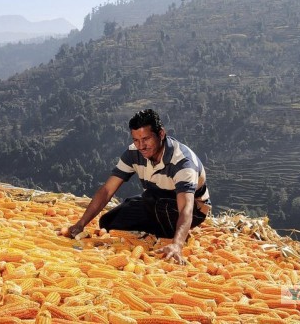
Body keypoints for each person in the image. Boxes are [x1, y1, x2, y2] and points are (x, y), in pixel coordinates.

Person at [67, 109, 211, 265]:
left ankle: (175, 236)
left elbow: (186, 208)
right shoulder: (134, 153)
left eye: (146, 139)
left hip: (192, 209)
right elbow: (107, 190)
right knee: (108, 222)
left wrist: (177, 244)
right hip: (154, 200)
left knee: (153, 200)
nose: (141, 146)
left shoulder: (182, 162)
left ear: (161, 134)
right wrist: (81, 224)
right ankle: (156, 230)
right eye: (136, 140)